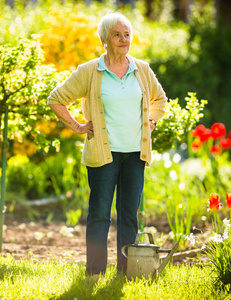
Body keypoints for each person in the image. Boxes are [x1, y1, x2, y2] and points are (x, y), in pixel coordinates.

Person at [47, 12, 167, 276]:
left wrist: (152, 121)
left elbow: (160, 100)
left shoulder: (141, 69)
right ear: (104, 39)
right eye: (117, 34)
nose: (124, 39)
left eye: (127, 34)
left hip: (135, 153)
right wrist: (78, 126)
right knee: (99, 214)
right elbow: (56, 98)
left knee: (129, 216)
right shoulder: (90, 70)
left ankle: (126, 271)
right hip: (105, 154)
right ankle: (95, 271)